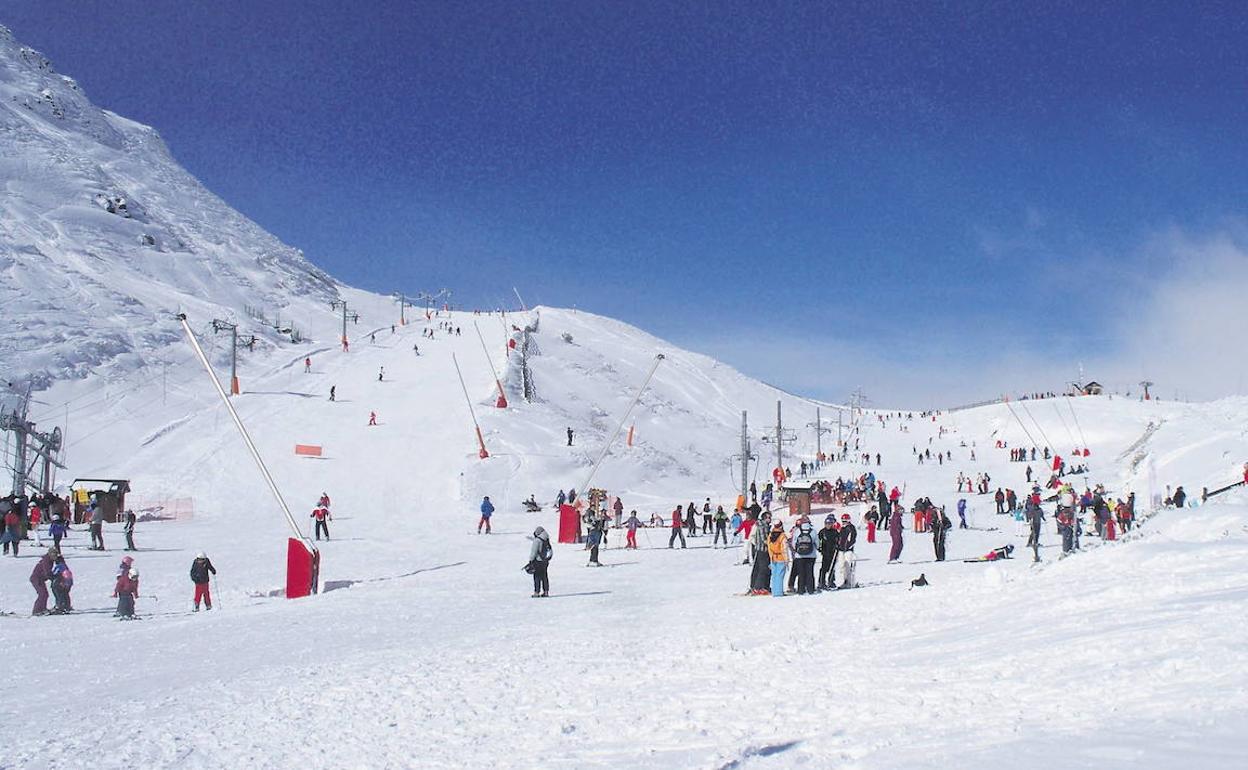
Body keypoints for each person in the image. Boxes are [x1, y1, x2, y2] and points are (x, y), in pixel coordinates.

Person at [791, 521, 818, 594]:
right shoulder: (813, 531)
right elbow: (817, 544)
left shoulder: (797, 531)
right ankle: (810, 589)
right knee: (810, 572)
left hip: (799, 555)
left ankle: (801, 589)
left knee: (801, 573)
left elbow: (793, 543)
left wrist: (796, 550)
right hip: (811, 555)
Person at [30, 548, 56, 616]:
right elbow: (47, 571)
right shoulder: (46, 560)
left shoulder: (49, 560)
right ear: (50, 554)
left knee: (45, 594)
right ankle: (36, 611)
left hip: (40, 579)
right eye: (53, 554)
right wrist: (53, 578)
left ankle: (43, 608)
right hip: (36, 579)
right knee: (42, 594)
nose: (55, 556)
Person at [527, 526, 552, 597]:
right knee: (544, 576)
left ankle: (536, 592)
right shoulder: (546, 539)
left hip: (538, 560)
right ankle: (546, 591)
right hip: (545, 560)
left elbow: (534, 551)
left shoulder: (537, 540)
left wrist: (531, 560)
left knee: (537, 576)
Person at [766, 521, 789, 597]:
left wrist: (771, 556)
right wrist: (786, 559)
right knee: (780, 575)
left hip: (773, 558)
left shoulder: (770, 535)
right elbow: (784, 549)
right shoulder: (782, 536)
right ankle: (779, 592)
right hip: (781, 557)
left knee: (774, 575)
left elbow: (769, 547)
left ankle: (775, 591)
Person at [817, 516, 839, 591]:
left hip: (833, 553)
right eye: (826, 523)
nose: (828, 525)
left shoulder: (835, 532)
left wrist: (837, 546)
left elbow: (838, 540)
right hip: (825, 552)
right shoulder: (822, 532)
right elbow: (818, 541)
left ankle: (831, 581)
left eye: (829, 523)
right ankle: (821, 582)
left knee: (832, 568)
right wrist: (820, 548)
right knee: (823, 568)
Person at [837, 513, 858, 587]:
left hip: (848, 550)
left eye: (845, 521)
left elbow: (853, 539)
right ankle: (845, 581)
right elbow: (840, 538)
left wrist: (849, 546)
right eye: (843, 521)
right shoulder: (842, 528)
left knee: (848, 565)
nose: (844, 523)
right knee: (841, 566)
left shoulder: (851, 528)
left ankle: (851, 582)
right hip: (841, 550)